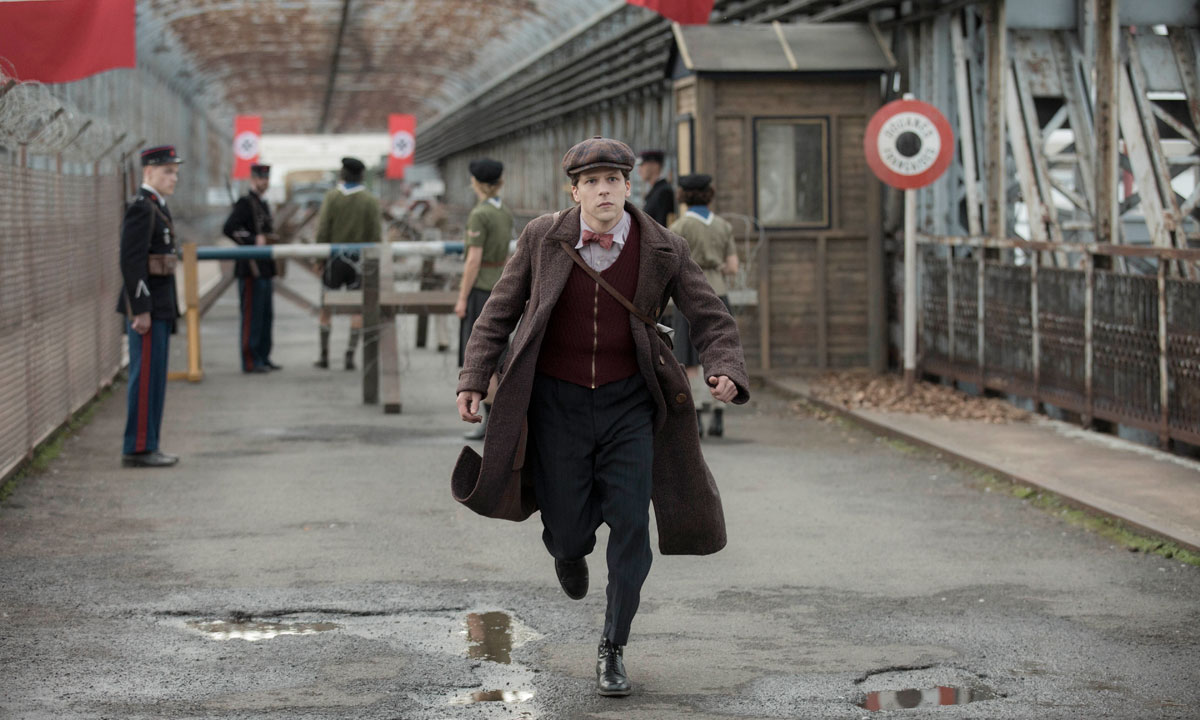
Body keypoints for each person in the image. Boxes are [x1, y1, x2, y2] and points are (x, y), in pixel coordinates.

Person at [453, 137, 749, 697]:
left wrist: (723, 365)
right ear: (574, 190)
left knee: (633, 522)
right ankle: (566, 550)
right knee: (566, 525)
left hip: (629, 403)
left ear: (628, 186)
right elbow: (498, 312)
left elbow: (709, 313)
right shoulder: (543, 237)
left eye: (612, 179)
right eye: (591, 182)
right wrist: (474, 377)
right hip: (556, 403)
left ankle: (613, 644)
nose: (603, 189)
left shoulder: (664, 246)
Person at [116, 145, 183, 468]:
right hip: (148, 308)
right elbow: (131, 262)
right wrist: (140, 308)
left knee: (155, 379)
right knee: (145, 379)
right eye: (167, 171)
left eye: (175, 171)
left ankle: (150, 443)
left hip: (160, 306)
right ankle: (138, 447)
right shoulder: (142, 207)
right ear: (148, 172)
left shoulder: (157, 206)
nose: (174, 177)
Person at [667, 174, 739, 437]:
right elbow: (732, 267)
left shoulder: (680, 227)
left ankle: (696, 413)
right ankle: (718, 414)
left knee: (689, 358)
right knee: (719, 352)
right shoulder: (723, 226)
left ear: (684, 196)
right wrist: (716, 265)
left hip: (688, 298)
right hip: (719, 293)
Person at [454, 157, 514, 440]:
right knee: (500, 357)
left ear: (476, 183)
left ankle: (489, 424)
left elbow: (473, 261)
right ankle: (500, 421)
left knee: (482, 357)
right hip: (501, 285)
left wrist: (462, 297)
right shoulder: (504, 212)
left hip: (481, 290)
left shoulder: (479, 214)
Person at [314, 157, 381, 370]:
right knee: (357, 310)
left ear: (342, 174)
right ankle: (350, 355)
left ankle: (324, 355)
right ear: (361, 175)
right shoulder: (370, 201)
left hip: (334, 259)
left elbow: (323, 229)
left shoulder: (332, 198)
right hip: (359, 262)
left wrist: (318, 259)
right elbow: (376, 234)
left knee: (326, 306)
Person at [223, 162, 280, 373]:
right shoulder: (245, 203)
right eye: (260, 178)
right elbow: (229, 229)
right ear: (252, 179)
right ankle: (250, 359)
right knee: (252, 316)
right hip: (250, 267)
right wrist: (252, 240)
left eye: (266, 178)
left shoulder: (263, 204)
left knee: (265, 315)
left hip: (265, 267)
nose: (263, 182)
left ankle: (263, 356)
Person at [637, 149, 674, 227]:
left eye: (642, 165)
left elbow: (661, 225)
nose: (639, 170)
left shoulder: (664, 191)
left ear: (655, 165)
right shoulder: (655, 190)